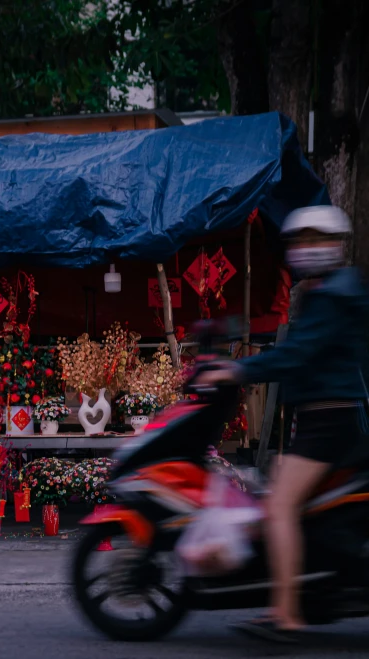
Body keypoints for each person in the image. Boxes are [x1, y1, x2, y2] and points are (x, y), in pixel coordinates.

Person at [196, 205, 369, 643]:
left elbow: (297, 354)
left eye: (316, 240)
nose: (307, 249)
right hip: (321, 419)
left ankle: (286, 615)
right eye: (300, 241)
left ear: (337, 246)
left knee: (279, 508)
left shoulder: (332, 296)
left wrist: (237, 371)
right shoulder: (327, 291)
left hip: (327, 424)